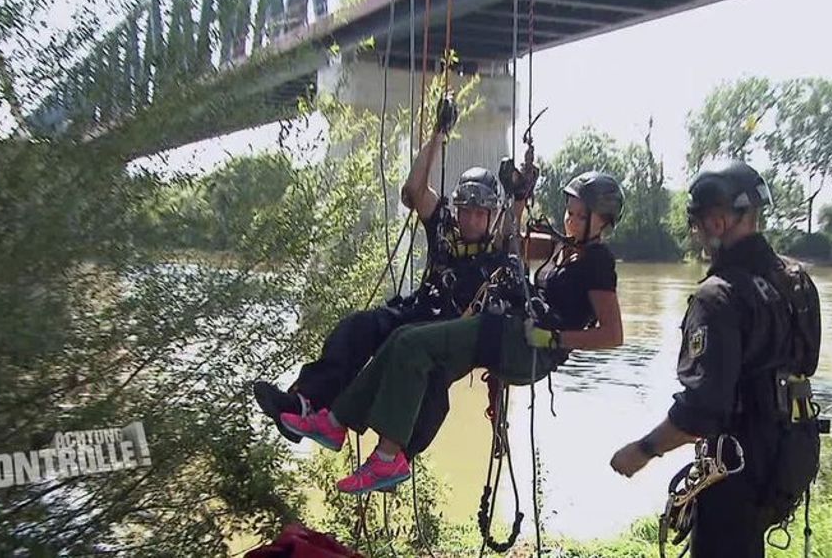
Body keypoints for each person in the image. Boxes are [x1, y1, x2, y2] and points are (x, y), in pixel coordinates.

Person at [280, 171, 626, 494]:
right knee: (405, 339)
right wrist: (518, 195)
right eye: (570, 212)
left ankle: (386, 458)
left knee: (415, 346)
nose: (571, 221)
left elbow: (612, 334)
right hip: (506, 331)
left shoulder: (598, 262)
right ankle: (336, 421)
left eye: (581, 216)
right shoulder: (563, 248)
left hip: (528, 348)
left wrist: (553, 339)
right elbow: (508, 240)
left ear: (603, 222)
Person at [253, 97, 527, 458]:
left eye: (480, 213)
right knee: (357, 327)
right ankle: (305, 403)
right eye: (466, 211)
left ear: (490, 215)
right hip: (416, 310)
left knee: (409, 353)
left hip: (449, 332)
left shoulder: (497, 246)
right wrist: (438, 135)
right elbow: (416, 191)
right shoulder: (446, 228)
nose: (471, 219)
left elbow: (513, 229)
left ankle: (383, 448)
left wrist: (519, 194)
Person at [608, 160, 825, 558]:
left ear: (720, 221)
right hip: (790, 457)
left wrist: (641, 451)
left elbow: (700, 412)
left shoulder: (718, 297)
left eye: (700, 222)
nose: (699, 234)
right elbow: (804, 365)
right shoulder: (796, 282)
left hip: (735, 470)